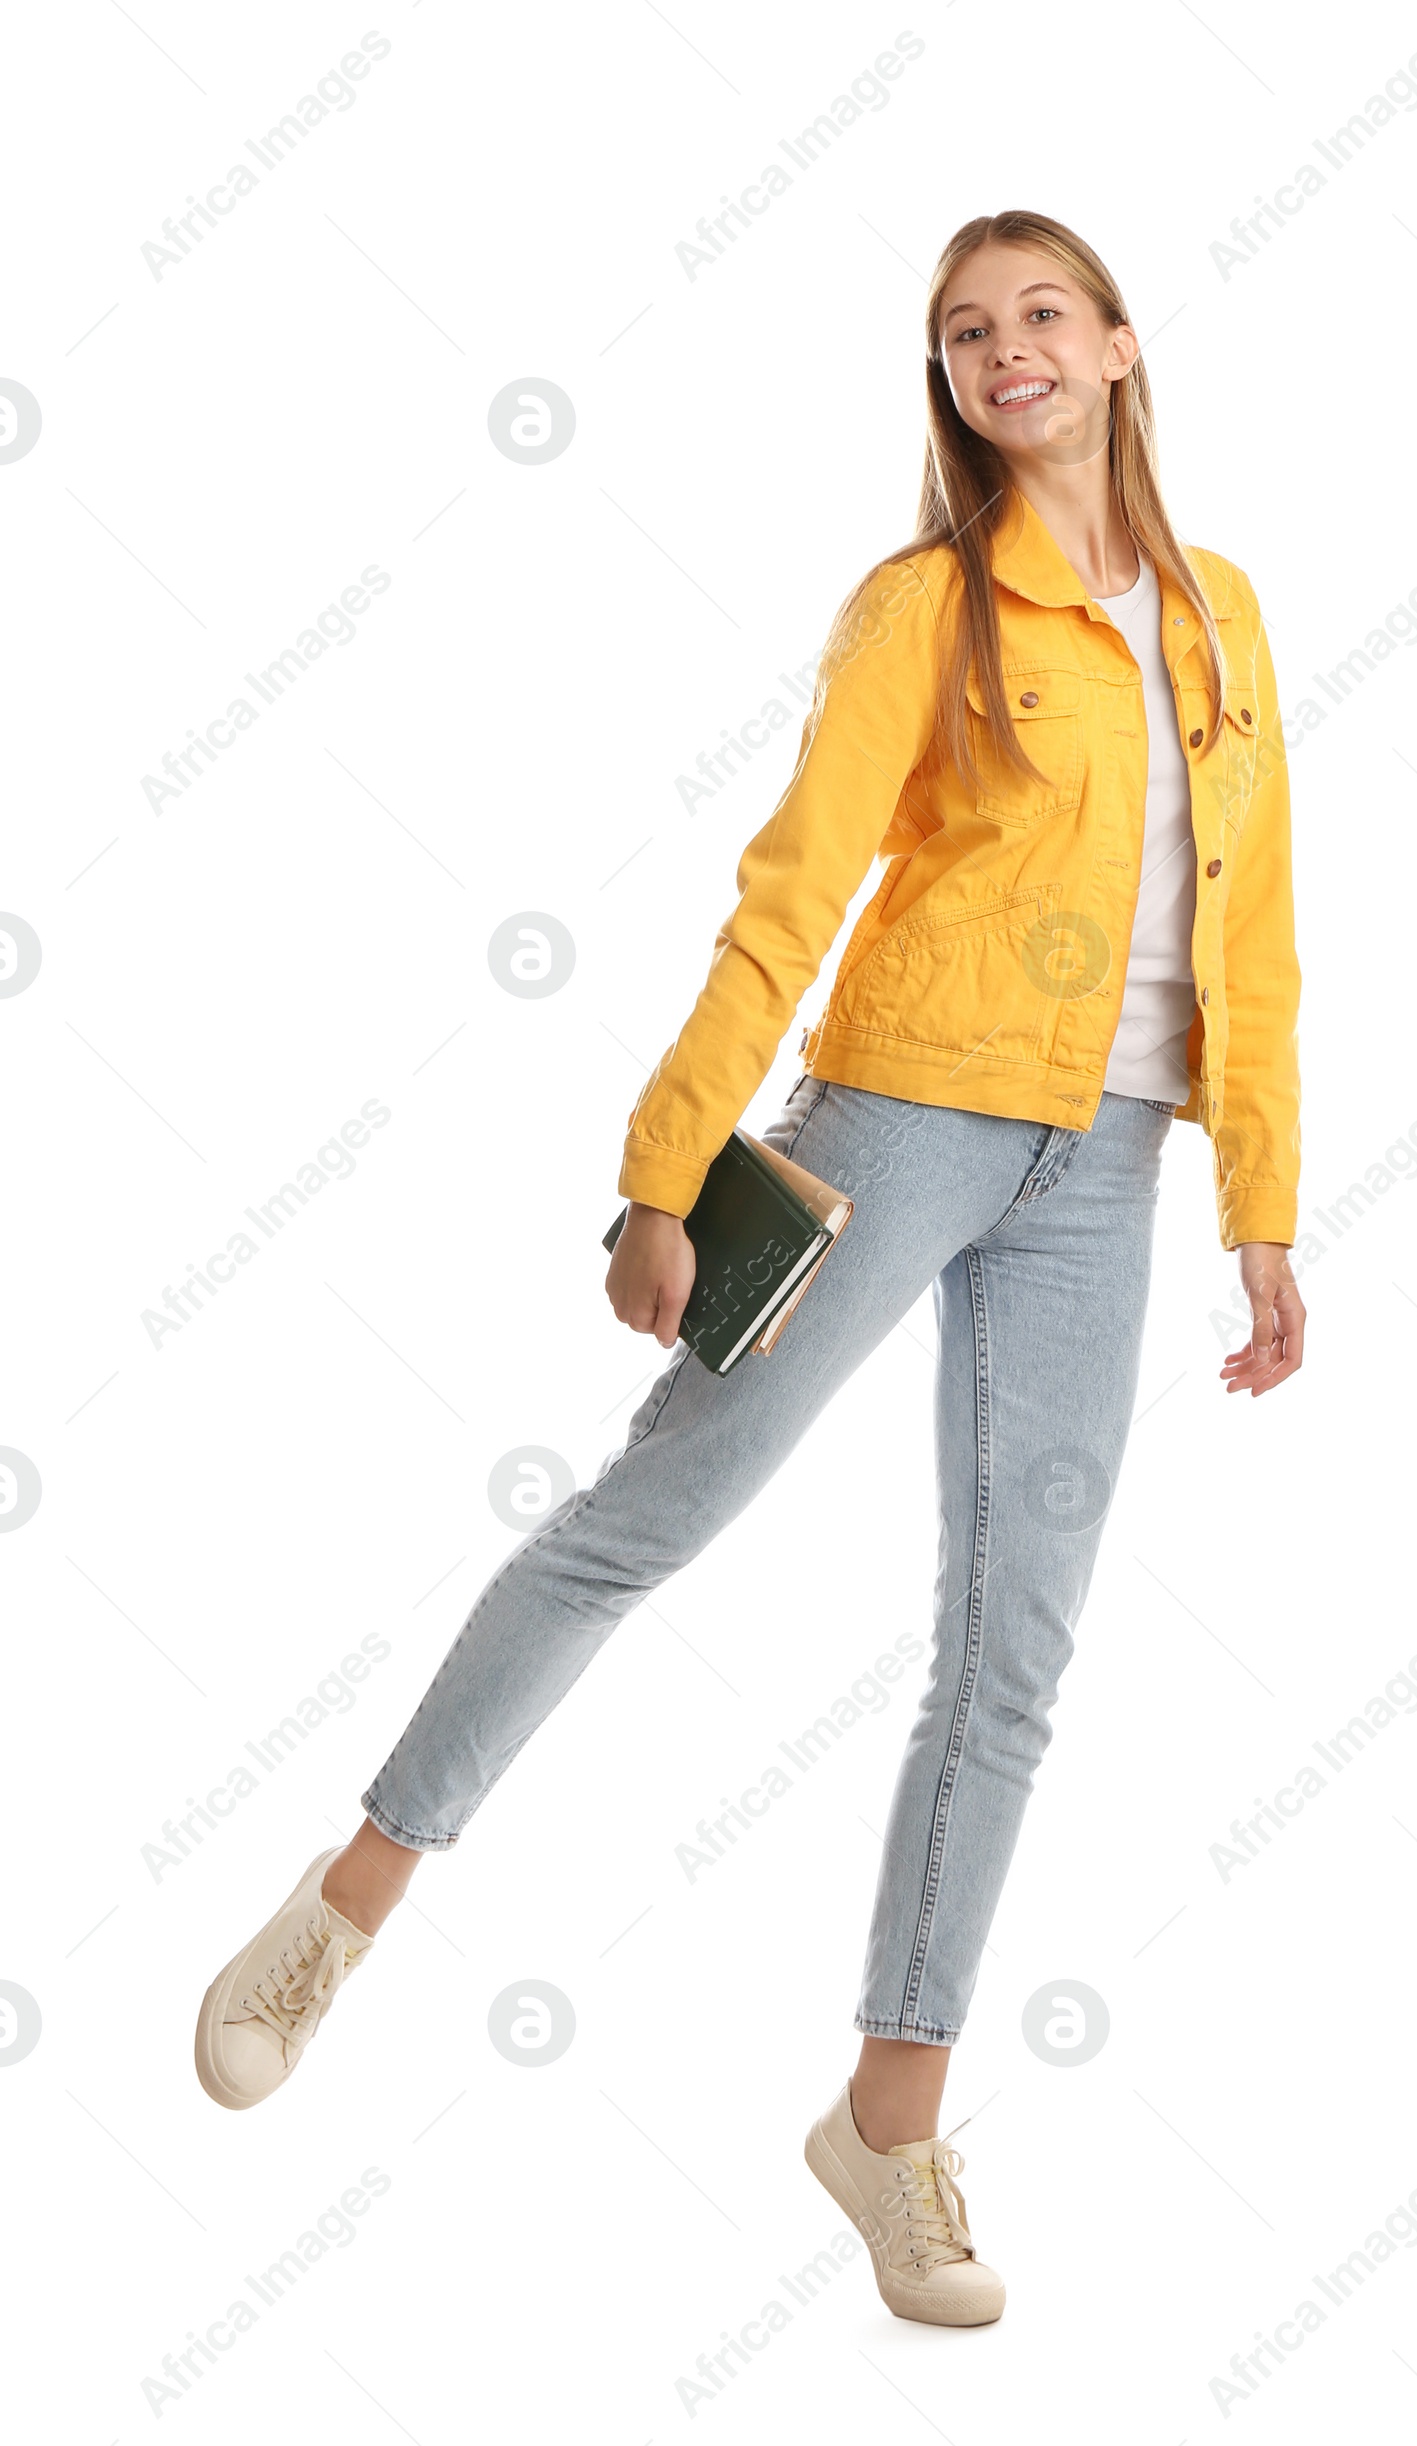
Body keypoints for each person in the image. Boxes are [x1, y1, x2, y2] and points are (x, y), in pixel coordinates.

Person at [194, 208, 1305, 2329]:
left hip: (1115, 1170)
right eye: (964, 332)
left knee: (1016, 1642)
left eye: (1038, 314)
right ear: (948, 379)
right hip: (893, 1123)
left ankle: (887, 2122)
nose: (1004, 353)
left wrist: (1259, 1205)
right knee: (648, 1516)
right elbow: (790, 882)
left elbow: (1249, 935)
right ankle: (344, 1899)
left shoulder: (1223, 615)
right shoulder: (928, 607)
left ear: (1119, 340)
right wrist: (661, 1166)